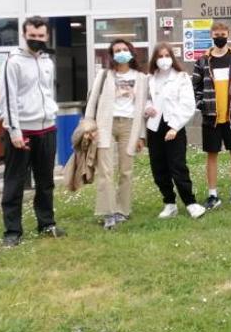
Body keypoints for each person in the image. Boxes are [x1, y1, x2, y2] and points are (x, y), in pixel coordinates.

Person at [0, 15, 65, 247]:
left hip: (47, 128)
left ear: (46, 36)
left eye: (40, 36)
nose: (37, 39)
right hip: (22, 131)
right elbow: (8, 99)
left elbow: (46, 93)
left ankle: (46, 223)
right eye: (32, 36)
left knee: (45, 180)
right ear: (24, 35)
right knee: (15, 181)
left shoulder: (47, 60)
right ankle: (12, 231)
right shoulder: (13, 61)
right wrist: (15, 132)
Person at [85, 39, 148, 230]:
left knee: (126, 170)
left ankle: (122, 210)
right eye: (117, 50)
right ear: (112, 55)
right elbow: (92, 100)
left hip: (129, 126)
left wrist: (141, 136)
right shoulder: (104, 75)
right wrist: (89, 125)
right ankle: (108, 212)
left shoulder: (141, 77)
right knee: (105, 170)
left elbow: (143, 107)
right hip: (106, 125)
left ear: (130, 52)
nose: (121, 52)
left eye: (124, 49)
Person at [144, 43, 205, 219]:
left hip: (174, 128)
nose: (164, 60)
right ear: (155, 59)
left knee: (178, 167)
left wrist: (174, 127)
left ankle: (191, 203)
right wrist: (147, 108)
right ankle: (169, 203)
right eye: (160, 56)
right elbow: (145, 100)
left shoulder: (181, 77)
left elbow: (187, 105)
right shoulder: (150, 79)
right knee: (158, 167)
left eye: (166, 55)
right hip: (155, 128)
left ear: (172, 57)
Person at [192, 21, 231, 210]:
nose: (219, 36)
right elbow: (195, 87)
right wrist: (202, 105)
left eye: (222, 33)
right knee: (211, 155)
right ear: (211, 35)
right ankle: (212, 195)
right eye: (216, 34)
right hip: (211, 117)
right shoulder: (202, 60)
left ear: (228, 33)